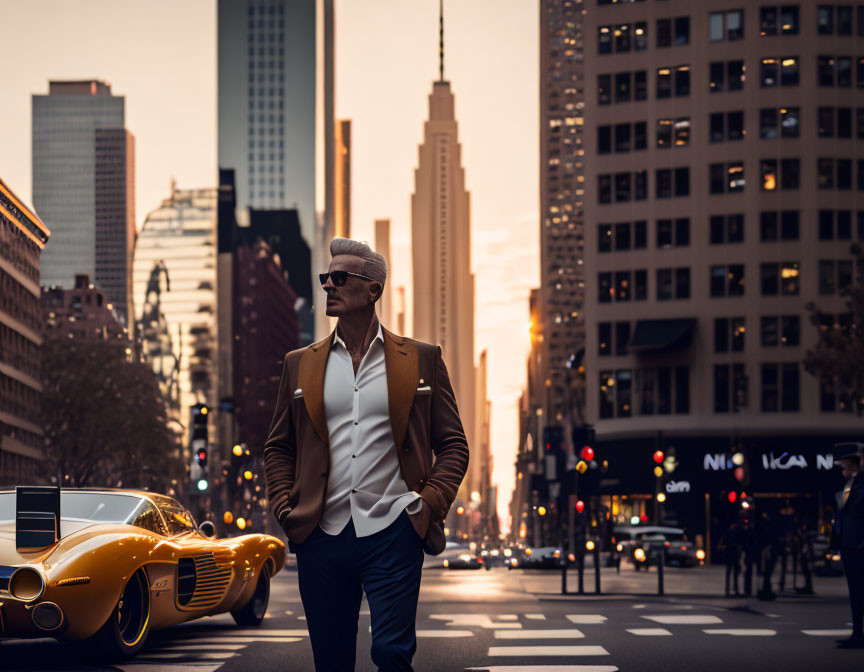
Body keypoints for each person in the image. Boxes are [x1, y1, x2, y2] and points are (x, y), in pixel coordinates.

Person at [263, 238, 469, 671]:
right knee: (332, 661)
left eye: (340, 278)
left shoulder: (422, 359)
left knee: (391, 653)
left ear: (373, 289)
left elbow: (452, 444)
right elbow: (278, 447)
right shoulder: (299, 363)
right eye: (326, 278)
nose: (328, 287)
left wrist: (428, 504)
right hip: (322, 533)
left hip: (395, 528)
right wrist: (286, 507)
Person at [834, 443, 864, 649]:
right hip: (848, 545)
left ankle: (858, 635)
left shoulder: (860, 485)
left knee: (858, 590)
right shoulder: (850, 485)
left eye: (843, 462)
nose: (841, 466)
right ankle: (857, 634)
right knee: (855, 592)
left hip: (859, 544)